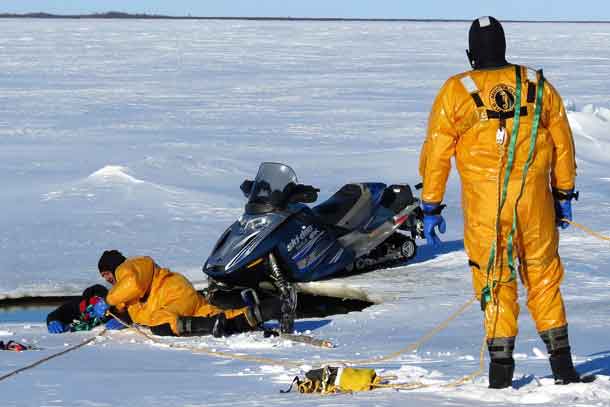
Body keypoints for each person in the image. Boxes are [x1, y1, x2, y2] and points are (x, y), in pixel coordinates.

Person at [419, 16, 583, 388]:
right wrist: (563, 192)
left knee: (494, 281)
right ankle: (563, 368)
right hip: (535, 205)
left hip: (486, 211)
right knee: (543, 278)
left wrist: (430, 205)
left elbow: (437, 154)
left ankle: (500, 376)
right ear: (504, 47)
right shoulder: (535, 84)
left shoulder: (455, 91)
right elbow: (562, 142)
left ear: (471, 52)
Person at [92, 250, 281, 337]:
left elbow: (133, 284)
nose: (107, 279)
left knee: (161, 322)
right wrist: (113, 314)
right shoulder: (124, 289)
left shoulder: (127, 267)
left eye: (106, 274)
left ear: (112, 267)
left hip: (173, 294)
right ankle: (267, 309)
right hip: (182, 299)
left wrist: (109, 299)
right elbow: (130, 305)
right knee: (221, 317)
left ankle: (210, 325)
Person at [46, 284, 126, 333]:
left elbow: (129, 312)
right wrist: (53, 321)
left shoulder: (111, 308)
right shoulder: (75, 305)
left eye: (102, 301)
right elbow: (55, 314)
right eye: (96, 301)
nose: (101, 305)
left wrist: (123, 320)